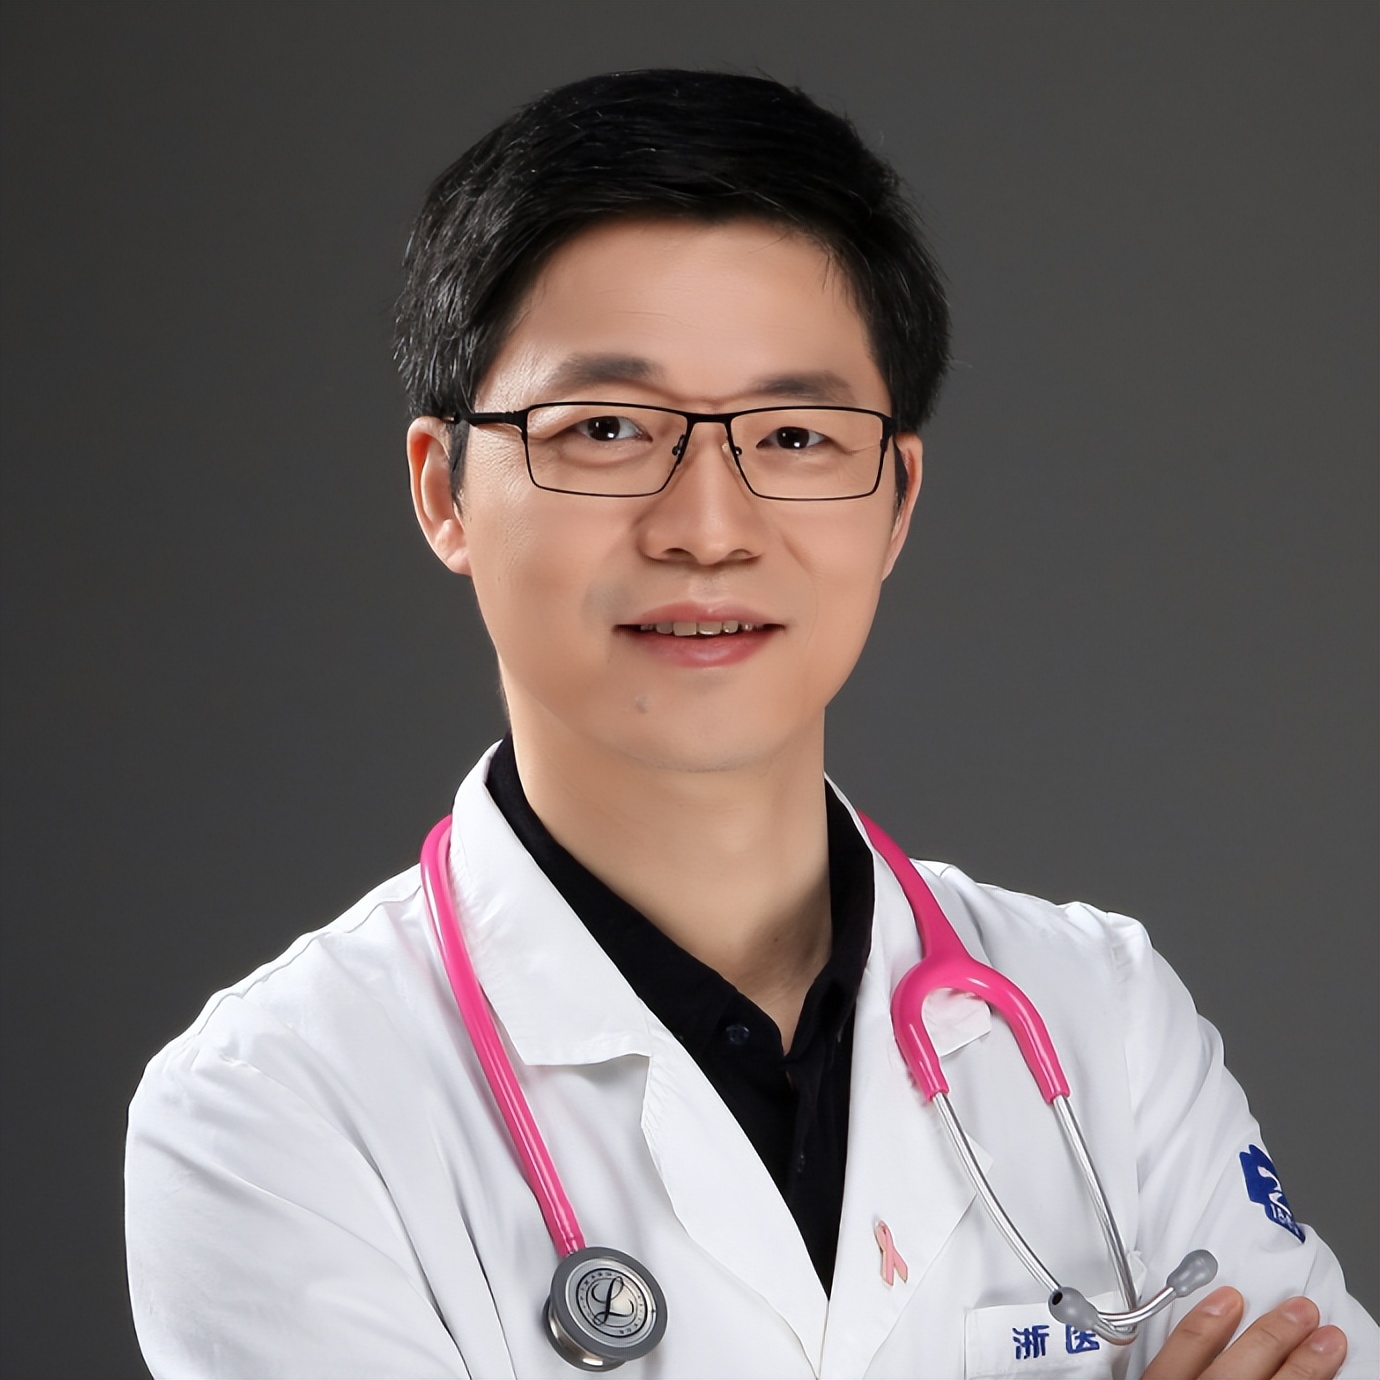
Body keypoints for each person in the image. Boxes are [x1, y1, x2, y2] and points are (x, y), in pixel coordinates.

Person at [125, 70, 1376, 1379]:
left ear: (896, 501)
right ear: (444, 491)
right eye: (608, 427)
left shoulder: (1096, 1015)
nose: (708, 528)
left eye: (793, 437)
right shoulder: (274, 1108)